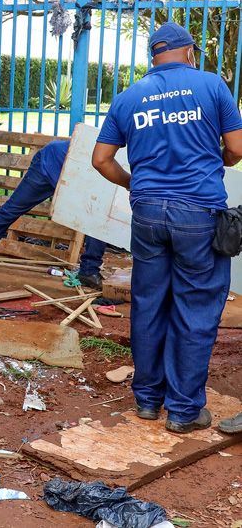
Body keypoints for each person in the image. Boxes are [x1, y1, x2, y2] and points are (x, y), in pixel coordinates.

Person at [92, 22, 242, 434]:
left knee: (148, 303)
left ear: (153, 58)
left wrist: (133, 183)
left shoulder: (128, 98)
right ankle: (183, 410)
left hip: (148, 215)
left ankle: (146, 401)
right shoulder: (213, 87)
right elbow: (237, 149)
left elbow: (101, 159)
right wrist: (221, 162)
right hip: (198, 214)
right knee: (195, 309)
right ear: (190, 51)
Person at [0, 140, 107, 290]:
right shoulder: (122, 141)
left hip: (77, 173)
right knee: (11, 210)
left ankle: (89, 271)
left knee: (97, 216)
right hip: (51, 162)